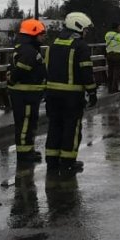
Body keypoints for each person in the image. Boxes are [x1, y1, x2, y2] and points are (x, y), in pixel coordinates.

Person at [44, 12, 98, 176]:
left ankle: (52, 161)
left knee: (54, 126)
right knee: (71, 129)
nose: (86, 33)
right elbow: (86, 71)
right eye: (85, 29)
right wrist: (92, 91)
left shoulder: (53, 45)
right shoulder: (80, 46)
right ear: (78, 26)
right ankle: (68, 163)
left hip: (52, 95)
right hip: (71, 96)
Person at [6, 19, 47, 163]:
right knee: (25, 124)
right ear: (33, 34)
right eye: (41, 34)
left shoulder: (23, 47)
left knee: (29, 123)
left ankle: (28, 149)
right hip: (26, 95)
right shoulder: (29, 51)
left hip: (27, 93)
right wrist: (12, 80)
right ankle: (24, 154)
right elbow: (21, 70)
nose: (43, 37)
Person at [104, 22, 120, 93]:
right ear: (117, 28)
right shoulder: (118, 35)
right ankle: (114, 89)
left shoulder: (107, 34)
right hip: (117, 56)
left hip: (109, 55)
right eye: (119, 27)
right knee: (116, 73)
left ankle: (109, 89)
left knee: (110, 72)